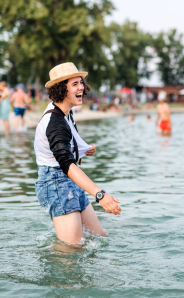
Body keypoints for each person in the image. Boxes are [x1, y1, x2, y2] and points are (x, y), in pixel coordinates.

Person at [34, 62, 121, 245]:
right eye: (74, 84)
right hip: (56, 183)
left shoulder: (64, 112)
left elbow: (62, 147)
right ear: (61, 89)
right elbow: (66, 164)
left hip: (67, 182)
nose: (81, 87)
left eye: (81, 82)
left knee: (99, 238)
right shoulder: (55, 122)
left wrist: (82, 149)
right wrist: (100, 195)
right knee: (71, 251)